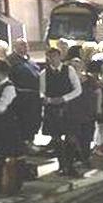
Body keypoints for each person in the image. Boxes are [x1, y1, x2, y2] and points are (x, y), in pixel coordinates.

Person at [39, 47, 82, 176]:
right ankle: (62, 165)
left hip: (68, 107)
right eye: (50, 57)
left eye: (55, 56)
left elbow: (78, 89)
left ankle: (71, 165)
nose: (53, 59)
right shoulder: (44, 74)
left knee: (71, 137)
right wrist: (45, 99)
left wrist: (63, 98)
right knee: (56, 139)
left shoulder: (69, 70)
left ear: (59, 57)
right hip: (52, 108)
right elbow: (42, 90)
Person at [0, 60, 26, 194]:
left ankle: (13, 184)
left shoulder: (9, 87)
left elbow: (1, 108)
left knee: (11, 155)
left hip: (8, 127)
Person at [8, 38, 42, 148]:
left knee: (34, 121)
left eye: (26, 45)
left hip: (35, 98)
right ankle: (23, 144)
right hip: (22, 99)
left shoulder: (30, 61)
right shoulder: (11, 61)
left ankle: (31, 141)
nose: (25, 47)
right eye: (22, 45)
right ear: (15, 47)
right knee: (24, 122)